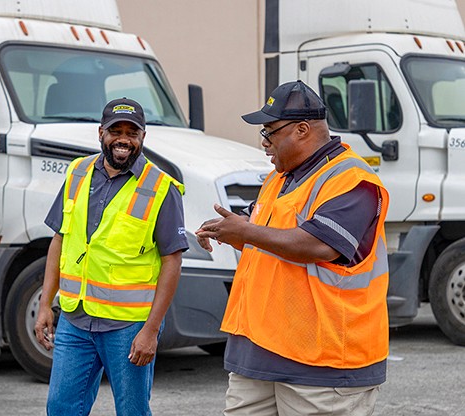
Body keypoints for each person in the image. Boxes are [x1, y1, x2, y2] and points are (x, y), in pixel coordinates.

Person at [196, 80, 390, 416]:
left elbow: (319, 245)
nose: (264, 142)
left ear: (302, 130)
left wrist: (248, 232)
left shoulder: (352, 179)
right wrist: (230, 232)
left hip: (323, 363)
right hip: (257, 354)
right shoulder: (279, 177)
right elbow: (269, 239)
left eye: (270, 131)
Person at [35, 97, 188, 415]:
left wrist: (150, 330)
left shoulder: (161, 187)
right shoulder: (78, 173)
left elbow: (172, 261)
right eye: (115, 131)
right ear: (100, 133)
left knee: (132, 410)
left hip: (129, 327)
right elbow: (59, 240)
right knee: (61, 408)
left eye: (131, 133)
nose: (123, 139)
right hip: (75, 320)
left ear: (143, 137)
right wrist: (44, 305)